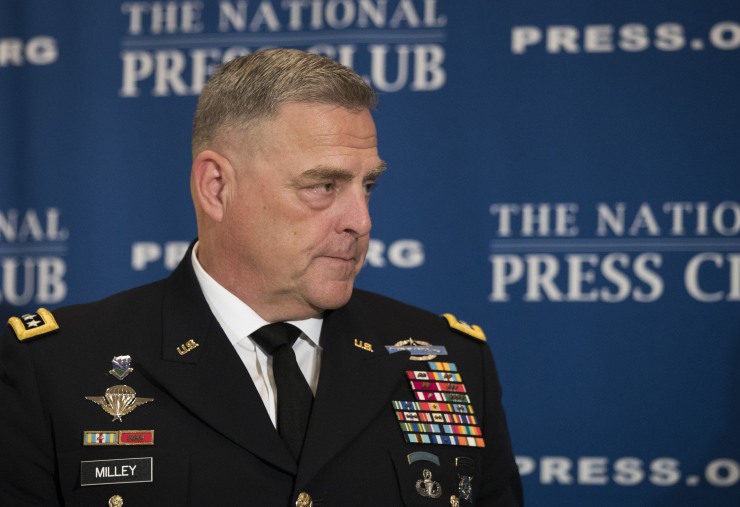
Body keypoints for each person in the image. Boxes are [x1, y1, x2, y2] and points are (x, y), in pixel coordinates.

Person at [0, 48, 523, 506]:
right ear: (216, 187)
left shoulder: (450, 360)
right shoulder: (51, 370)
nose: (361, 221)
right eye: (323, 185)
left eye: (368, 187)